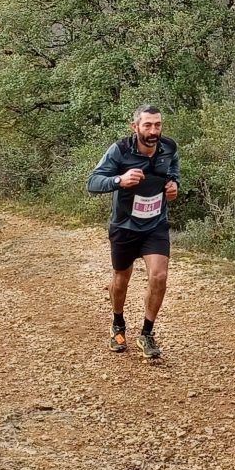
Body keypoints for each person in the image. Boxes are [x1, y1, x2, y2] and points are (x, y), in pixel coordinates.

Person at [86, 104, 179, 359]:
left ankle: (147, 334)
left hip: (155, 225)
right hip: (124, 227)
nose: (153, 130)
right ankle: (118, 324)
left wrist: (174, 185)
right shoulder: (120, 151)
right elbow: (92, 183)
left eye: (157, 125)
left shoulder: (169, 147)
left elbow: (173, 171)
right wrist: (119, 180)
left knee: (159, 277)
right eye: (147, 125)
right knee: (121, 279)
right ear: (135, 126)